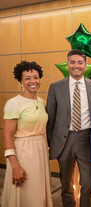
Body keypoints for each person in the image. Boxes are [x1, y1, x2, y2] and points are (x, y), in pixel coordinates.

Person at [46, 49, 91, 207]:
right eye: (72, 62)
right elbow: (50, 116)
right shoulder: (55, 87)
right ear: (68, 64)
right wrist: (52, 142)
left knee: (87, 183)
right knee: (66, 184)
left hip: (87, 140)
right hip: (64, 141)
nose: (76, 66)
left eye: (80, 63)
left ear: (85, 65)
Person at [2, 61, 53, 207]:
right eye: (28, 78)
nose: (33, 81)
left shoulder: (42, 102)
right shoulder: (14, 103)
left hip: (40, 149)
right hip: (23, 152)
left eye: (36, 77)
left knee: (39, 190)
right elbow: (7, 137)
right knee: (26, 190)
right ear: (21, 81)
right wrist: (15, 165)